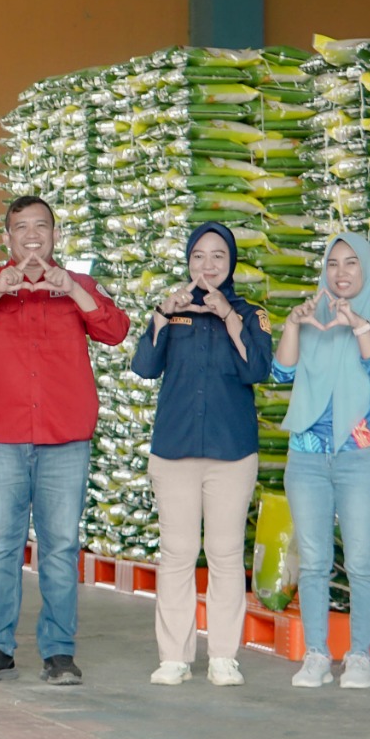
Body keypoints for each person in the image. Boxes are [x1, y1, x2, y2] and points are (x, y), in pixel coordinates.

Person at [0, 195, 131, 687]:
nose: (31, 235)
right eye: (20, 227)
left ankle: (59, 652)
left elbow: (115, 330)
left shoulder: (77, 287)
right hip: (2, 437)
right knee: (4, 544)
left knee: (61, 546)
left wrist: (73, 289)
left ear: (55, 235)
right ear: (6, 237)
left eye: (41, 226)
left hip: (64, 437)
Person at [132, 221, 272, 688]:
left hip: (231, 452)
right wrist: (160, 314)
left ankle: (224, 657)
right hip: (175, 450)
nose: (207, 265)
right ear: (188, 262)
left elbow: (258, 368)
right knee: (177, 552)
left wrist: (229, 317)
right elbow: (144, 367)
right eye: (198, 256)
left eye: (217, 256)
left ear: (230, 262)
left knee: (226, 552)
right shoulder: (175, 311)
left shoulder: (250, 313)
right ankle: (174, 656)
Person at [274, 232, 370, 692]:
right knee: (313, 561)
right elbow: (280, 372)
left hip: (359, 457)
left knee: (362, 561)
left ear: (366, 270)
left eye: (351, 263)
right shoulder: (312, 321)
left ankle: (360, 657)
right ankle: (316, 654)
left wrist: (358, 325)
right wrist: (293, 325)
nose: (342, 272)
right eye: (333, 264)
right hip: (307, 458)